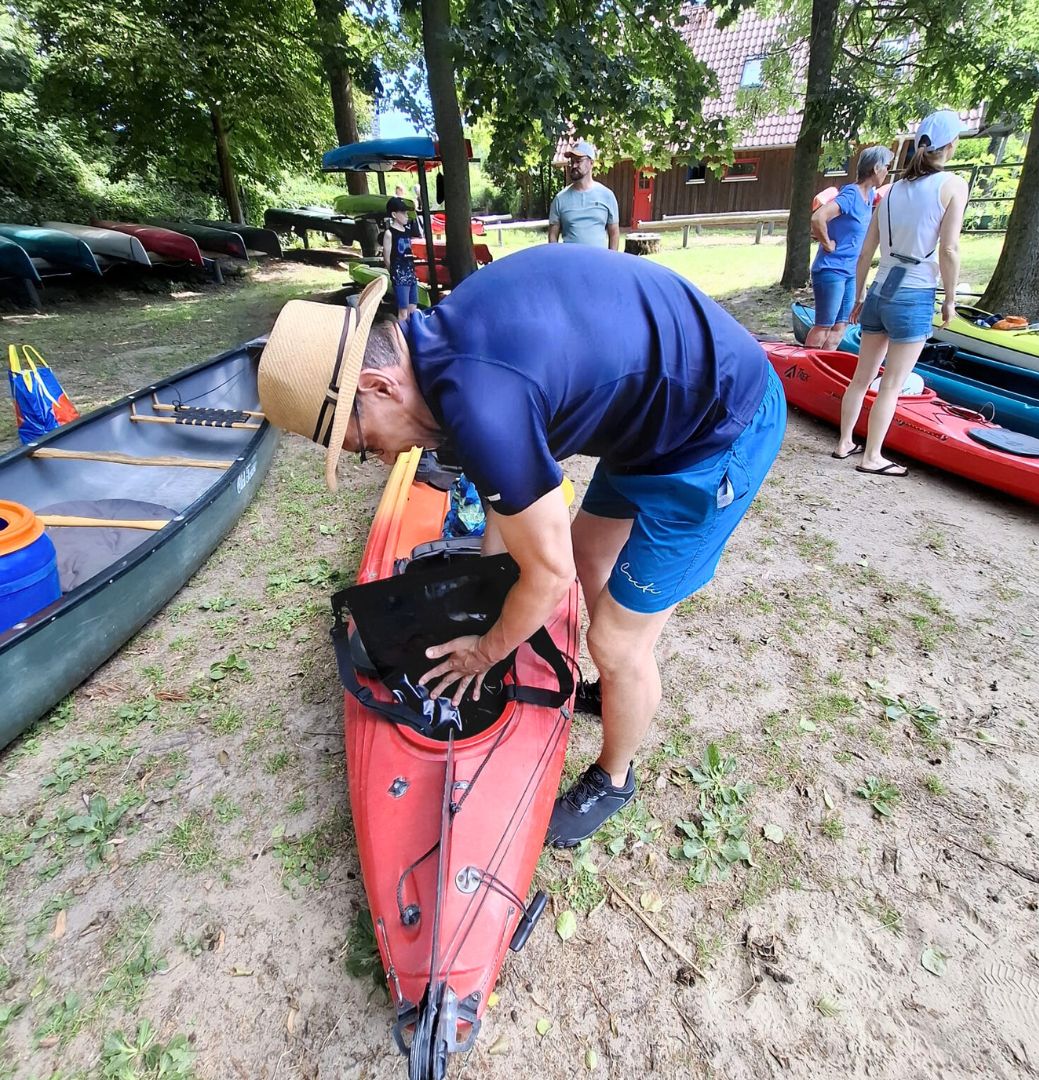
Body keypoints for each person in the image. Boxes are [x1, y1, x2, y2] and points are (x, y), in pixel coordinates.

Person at [258, 245, 786, 847]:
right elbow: (508, 512)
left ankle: (615, 776)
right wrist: (485, 602)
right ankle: (614, 683)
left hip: (719, 428)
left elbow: (548, 571)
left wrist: (485, 652)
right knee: (590, 552)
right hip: (653, 419)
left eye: (362, 444)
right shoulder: (442, 353)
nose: (380, 459)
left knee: (615, 638)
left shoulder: (483, 404)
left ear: (379, 385)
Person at [835, 110, 969, 474]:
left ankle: (845, 441)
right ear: (951, 145)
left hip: (879, 290)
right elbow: (949, 249)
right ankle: (872, 457)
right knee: (892, 384)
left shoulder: (888, 191)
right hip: (915, 293)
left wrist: (859, 296)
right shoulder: (953, 185)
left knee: (862, 376)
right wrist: (951, 299)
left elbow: (866, 252)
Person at [807, 145, 892, 349]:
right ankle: (804, 370)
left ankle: (822, 369)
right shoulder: (852, 195)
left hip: (850, 271)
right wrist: (827, 244)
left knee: (840, 327)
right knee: (824, 326)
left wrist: (861, 288)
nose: (888, 171)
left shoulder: (869, 196)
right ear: (875, 168)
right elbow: (818, 217)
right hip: (832, 269)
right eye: (886, 166)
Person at [548, 140, 620, 250]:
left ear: (591, 163)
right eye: (572, 161)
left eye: (579, 161)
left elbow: (614, 232)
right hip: (570, 264)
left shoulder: (607, 196)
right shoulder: (560, 199)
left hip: (598, 263)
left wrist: (611, 260)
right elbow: (553, 235)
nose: (574, 165)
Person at [382, 195, 421, 322]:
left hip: (411, 274)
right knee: (403, 311)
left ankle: (411, 336)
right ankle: (401, 337)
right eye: (403, 213)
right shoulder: (389, 234)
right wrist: (394, 274)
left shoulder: (407, 231)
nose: (406, 216)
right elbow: (386, 257)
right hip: (400, 276)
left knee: (412, 308)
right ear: (394, 214)